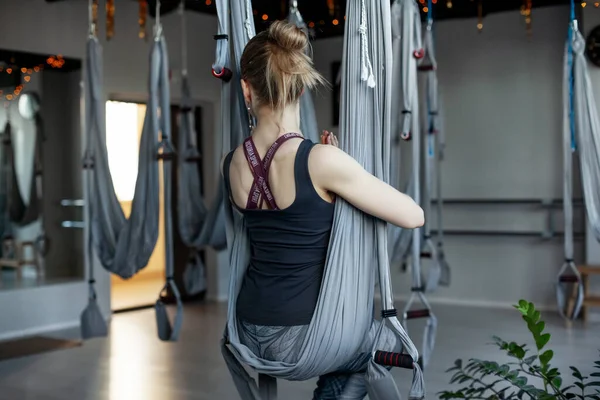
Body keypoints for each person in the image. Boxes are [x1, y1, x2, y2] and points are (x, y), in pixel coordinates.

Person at [221, 20, 424, 400]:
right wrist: (343, 166)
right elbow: (414, 215)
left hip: (249, 329)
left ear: (246, 90)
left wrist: (333, 166)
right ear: (301, 86)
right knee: (381, 346)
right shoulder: (323, 161)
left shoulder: (230, 163)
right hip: (302, 339)